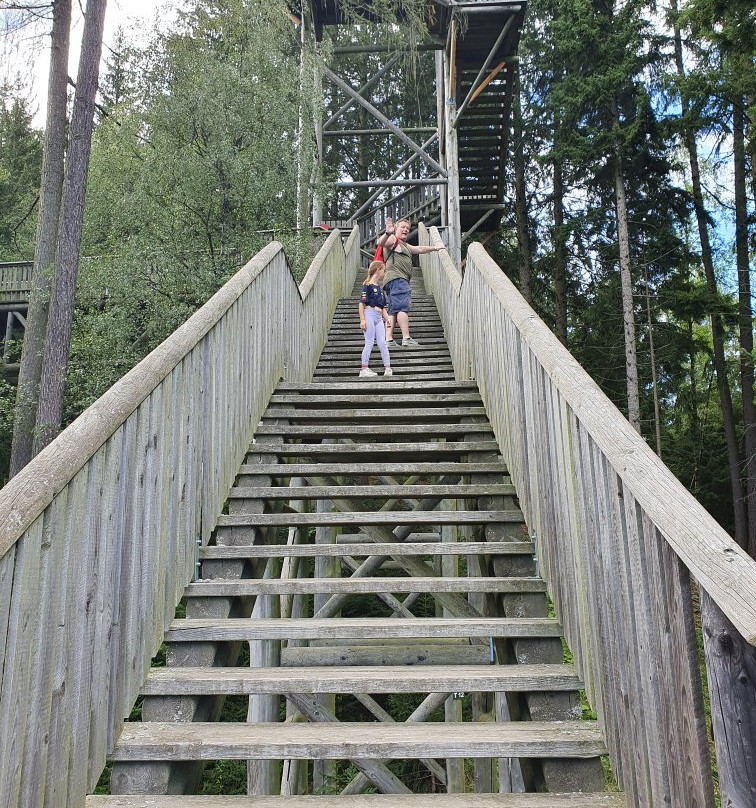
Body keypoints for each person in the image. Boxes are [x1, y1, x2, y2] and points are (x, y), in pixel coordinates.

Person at [376, 216, 446, 349]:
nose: (406, 230)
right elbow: (380, 243)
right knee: (402, 307)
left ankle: (389, 340)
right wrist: (387, 232)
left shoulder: (404, 245)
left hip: (391, 280)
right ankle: (406, 338)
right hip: (398, 279)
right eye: (402, 227)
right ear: (396, 228)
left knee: (392, 310)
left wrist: (436, 248)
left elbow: (419, 249)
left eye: (407, 228)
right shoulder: (393, 240)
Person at [358, 260, 392, 378]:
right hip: (369, 314)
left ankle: (387, 367)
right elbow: (362, 304)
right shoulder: (367, 286)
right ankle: (364, 368)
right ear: (378, 270)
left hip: (379, 317)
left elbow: (382, 307)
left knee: (382, 342)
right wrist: (362, 319)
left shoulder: (381, 289)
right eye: (383, 270)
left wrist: (387, 318)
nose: (384, 273)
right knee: (369, 341)